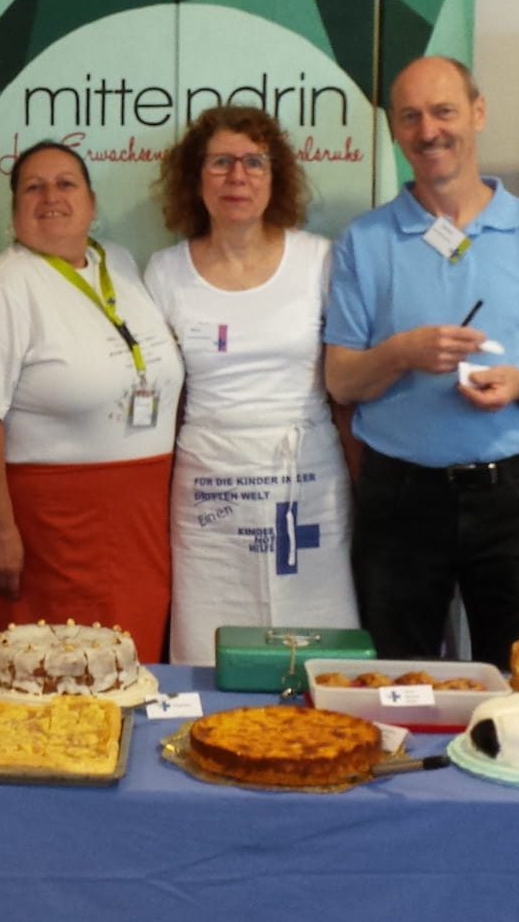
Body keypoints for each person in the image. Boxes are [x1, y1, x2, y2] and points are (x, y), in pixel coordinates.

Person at [323, 56, 519, 669]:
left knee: (518, 683)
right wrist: (402, 353)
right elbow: (341, 381)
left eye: (444, 111)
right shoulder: (364, 241)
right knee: (396, 683)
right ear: (395, 130)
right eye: (410, 117)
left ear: (477, 115)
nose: (429, 130)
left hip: (514, 496)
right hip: (398, 499)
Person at [0, 142, 184, 661]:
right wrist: (0, 532)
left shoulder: (118, 265)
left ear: (92, 204)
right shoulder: (3, 286)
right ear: (13, 212)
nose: (51, 196)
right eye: (34, 186)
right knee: (50, 684)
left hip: (138, 527)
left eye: (66, 183)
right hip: (49, 532)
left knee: (130, 672)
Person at [144, 106, 355, 665]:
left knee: (318, 642)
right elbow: (169, 394)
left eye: (254, 162)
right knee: (213, 645)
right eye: (221, 162)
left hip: (308, 482)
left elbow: (342, 388)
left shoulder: (320, 260)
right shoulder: (164, 272)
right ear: (196, 176)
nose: (238, 177)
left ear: (274, 175)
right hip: (210, 490)